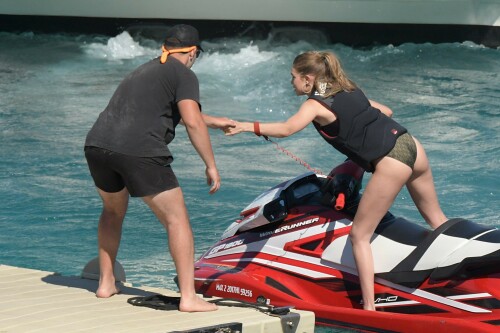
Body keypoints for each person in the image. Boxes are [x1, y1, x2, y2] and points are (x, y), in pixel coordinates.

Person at [225, 50, 448, 311]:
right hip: (410, 144)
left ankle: (369, 309)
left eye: (293, 78)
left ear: (308, 79)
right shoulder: (348, 88)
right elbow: (386, 110)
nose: (291, 83)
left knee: (359, 236)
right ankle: (460, 274)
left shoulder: (315, 104)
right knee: (437, 221)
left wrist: (245, 126)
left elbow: (287, 129)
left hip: (392, 161)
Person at [84, 24, 234, 312]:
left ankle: (106, 283)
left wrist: (215, 122)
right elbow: (191, 120)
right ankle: (189, 298)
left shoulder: (145, 70)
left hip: (98, 146)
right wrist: (211, 165)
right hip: (139, 150)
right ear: (192, 52)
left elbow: (163, 111)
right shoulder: (184, 73)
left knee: (113, 211)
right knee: (177, 220)